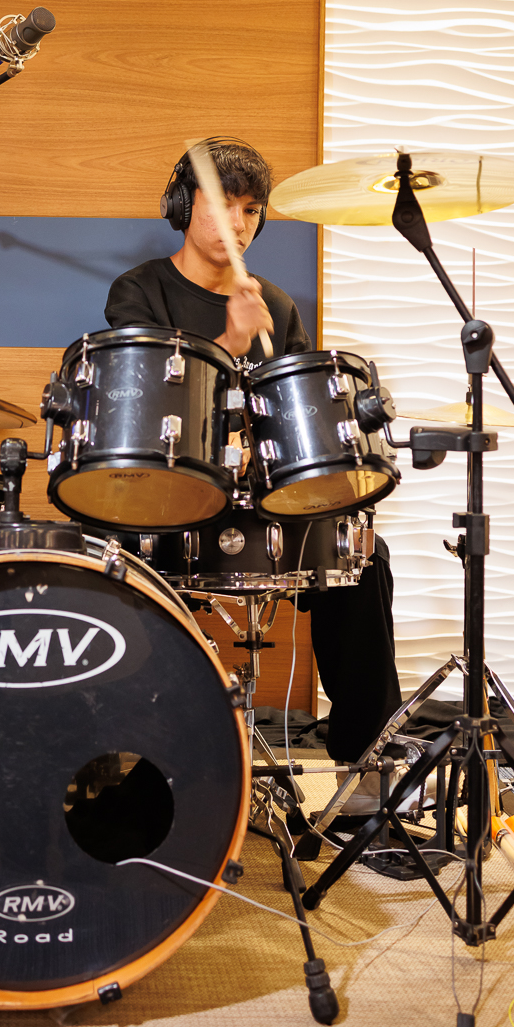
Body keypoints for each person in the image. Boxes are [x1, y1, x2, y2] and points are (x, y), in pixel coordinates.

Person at [104, 138, 402, 791]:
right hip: (170, 501)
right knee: (118, 560)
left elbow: (293, 426)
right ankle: (146, 769)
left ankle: (365, 768)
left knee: (361, 556)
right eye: (222, 206)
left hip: (257, 503)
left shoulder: (277, 306)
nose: (237, 224)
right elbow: (144, 405)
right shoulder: (140, 291)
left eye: (250, 209)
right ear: (183, 207)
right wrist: (230, 340)